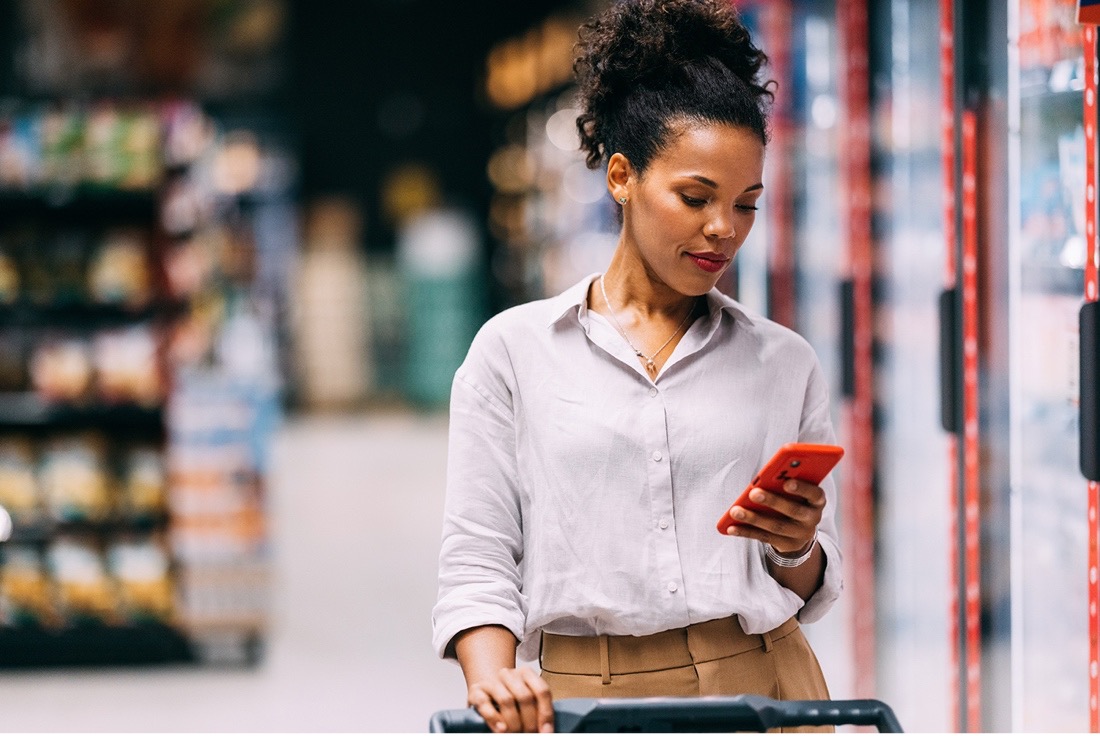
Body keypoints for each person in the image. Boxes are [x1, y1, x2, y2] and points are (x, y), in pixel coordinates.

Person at [432, 0, 843, 732]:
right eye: (695, 197)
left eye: (746, 205)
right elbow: (478, 560)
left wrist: (795, 543)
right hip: (587, 703)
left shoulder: (784, 363)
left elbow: (810, 582)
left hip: (765, 689)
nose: (724, 229)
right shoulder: (514, 353)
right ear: (622, 176)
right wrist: (494, 684)